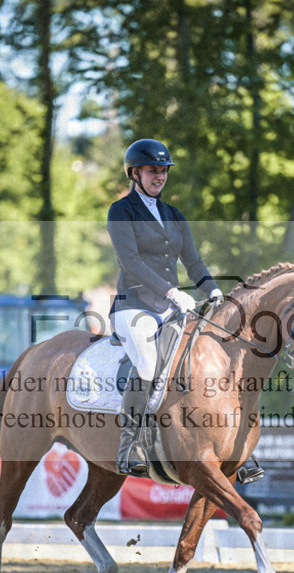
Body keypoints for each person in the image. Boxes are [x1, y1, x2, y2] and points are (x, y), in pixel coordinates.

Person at [107, 139, 223, 475]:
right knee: (147, 360)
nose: (159, 176)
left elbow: (193, 261)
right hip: (135, 305)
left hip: (172, 307)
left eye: (163, 171)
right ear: (135, 173)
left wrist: (213, 290)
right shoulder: (122, 211)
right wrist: (172, 292)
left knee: (206, 358)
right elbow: (130, 261)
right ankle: (130, 444)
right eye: (152, 170)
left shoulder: (174, 215)